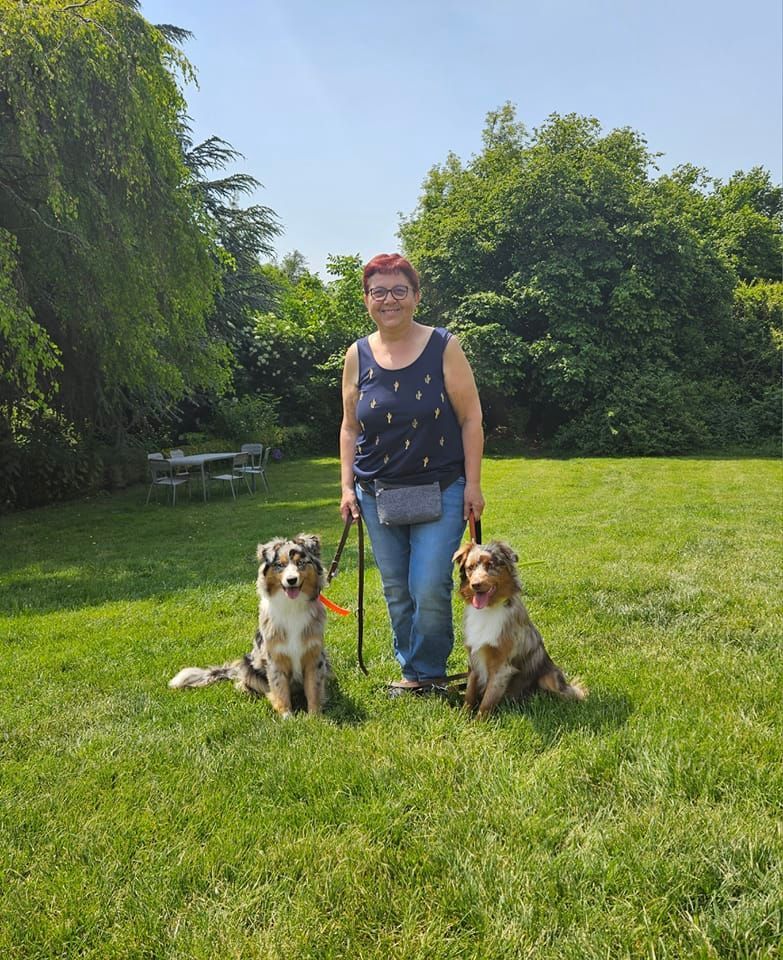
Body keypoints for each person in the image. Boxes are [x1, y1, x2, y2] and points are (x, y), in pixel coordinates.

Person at [340, 253, 485, 695]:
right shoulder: (357, 354)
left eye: (399, 290)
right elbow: (350, 425)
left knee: (428, 584)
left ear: (416, 297)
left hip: (440, 487)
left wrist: (474, 484)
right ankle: (412, 672)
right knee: (398, 589)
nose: (389, 299)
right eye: (378, 291)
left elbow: (471, 417)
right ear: (366, 300)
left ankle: (430, 672)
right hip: (377, 491)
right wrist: (346, 485)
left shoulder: (445, 346)